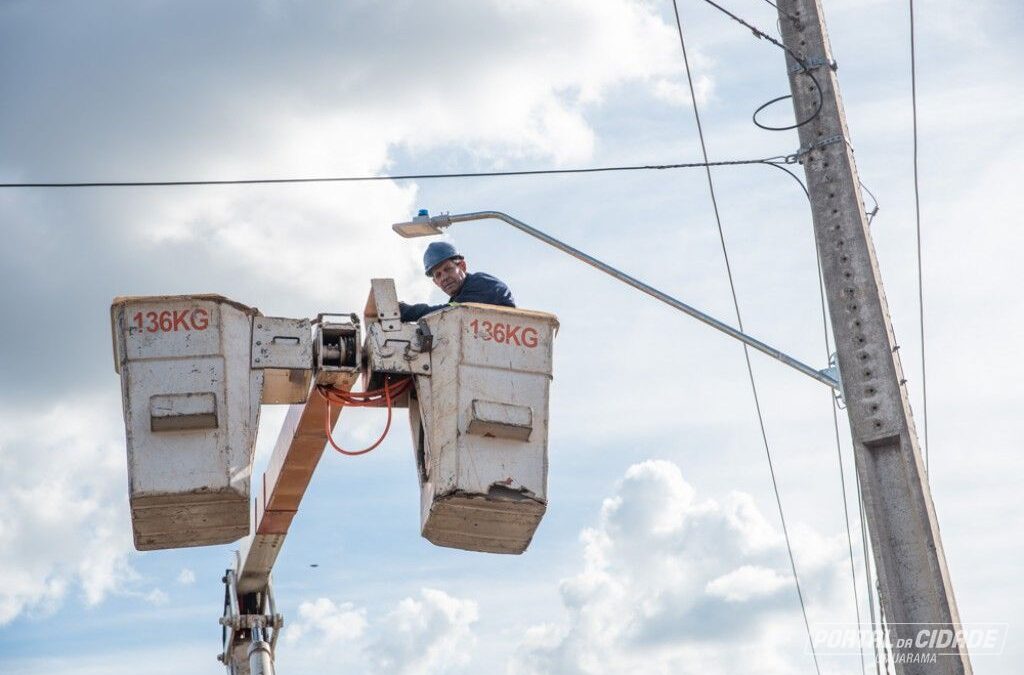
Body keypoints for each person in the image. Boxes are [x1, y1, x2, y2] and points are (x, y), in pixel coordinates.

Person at [399, 241, 515, 322]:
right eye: (438, 275)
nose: (444, 277)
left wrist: (404, 311)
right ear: (436, 283)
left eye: (448, 269)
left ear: (462, 266)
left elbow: (446, 311)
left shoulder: (481, 284)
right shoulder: (457, 300)